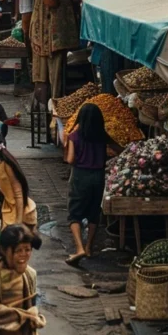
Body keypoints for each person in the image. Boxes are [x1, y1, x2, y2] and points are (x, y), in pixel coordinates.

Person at [64, 104, 109, 267]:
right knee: (93, 212)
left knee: (74, 213)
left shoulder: (75, 136)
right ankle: (89, 247)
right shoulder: (102, 135)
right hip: (98, 176)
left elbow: (70, 159)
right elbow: (118, 149)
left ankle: (79, 248)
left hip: (80, 176)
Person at [0, 132, 37, 231]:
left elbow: (18, 193)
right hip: (8, 207)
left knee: (13, 244)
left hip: (18, 210)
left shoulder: (6, 165)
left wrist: (18, 223)